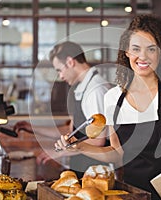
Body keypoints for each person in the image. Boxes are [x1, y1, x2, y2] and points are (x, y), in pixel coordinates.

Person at [54, 15, 161, 199]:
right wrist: (80, 147)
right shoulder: (113, 99)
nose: (143, 56)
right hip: (133, 194)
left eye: (151, 49)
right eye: (136, 49)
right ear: (127, 52)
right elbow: (117, 153)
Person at [13, 41, 112, 179]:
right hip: (83, 170)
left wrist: (59, 152)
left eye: (59, 70)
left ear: (70, 62)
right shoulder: (82, 88)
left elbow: (98, 141)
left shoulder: (96, 90)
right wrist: (32, 128)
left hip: (96, 174)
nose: (60, 76)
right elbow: (71, 132)